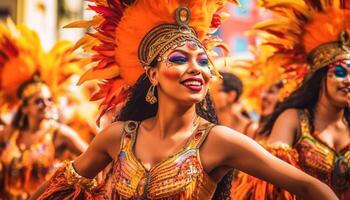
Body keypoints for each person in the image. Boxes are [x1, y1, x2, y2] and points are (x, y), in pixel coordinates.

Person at [32, 1, 337, 199]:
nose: (197, 69)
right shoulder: (118, 136)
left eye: (204, 62)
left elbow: (309, 187)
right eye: (179, 59)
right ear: (152, 75)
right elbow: (63, 184)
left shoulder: (217, 141)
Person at [232, 0, 350, 199]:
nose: (348, 80)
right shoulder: (294, 119)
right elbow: (269, 185)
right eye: (339, 72)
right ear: (320, 78)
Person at [0, 20, 88, 199]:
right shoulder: (10, 134)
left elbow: (96, 158)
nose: (47, 104)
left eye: (49, 99)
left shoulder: (60, 134)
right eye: (39, 101)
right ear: (24, 108)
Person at [211, 71, 256, 136]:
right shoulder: (208, 125)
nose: (211, 94)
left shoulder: (251, 129)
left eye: (217, 90)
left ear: (231, 96)